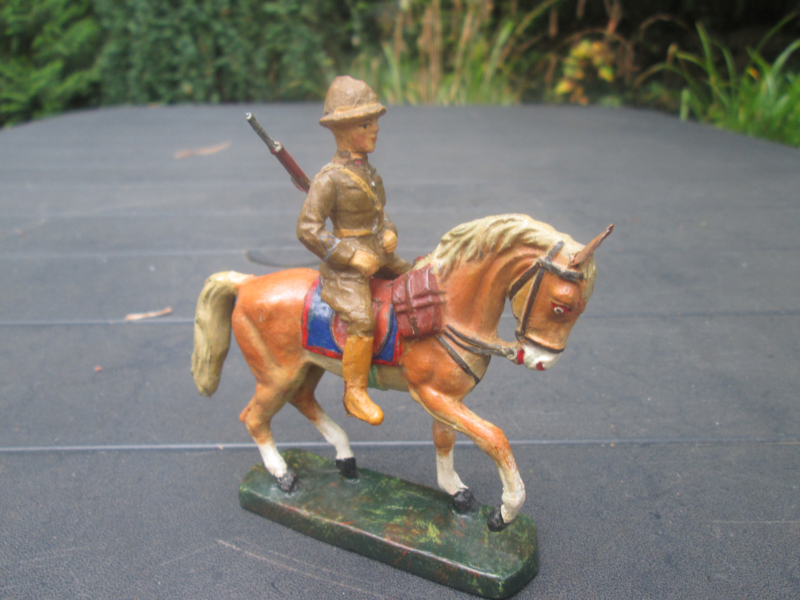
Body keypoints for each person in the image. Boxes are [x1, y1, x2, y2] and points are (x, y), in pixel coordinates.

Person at [297, 76, 411, 426]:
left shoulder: (369, 173)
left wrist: (389, 232)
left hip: (378, 253)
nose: (375, 129)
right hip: (345, 270)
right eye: (366, 124)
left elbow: (379, 215)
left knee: (415, 279)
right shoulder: (328, 179)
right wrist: (349, 255)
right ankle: (355, 392)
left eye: (374, 121)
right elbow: (307, 229)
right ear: (343, 130)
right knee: (362, 319)